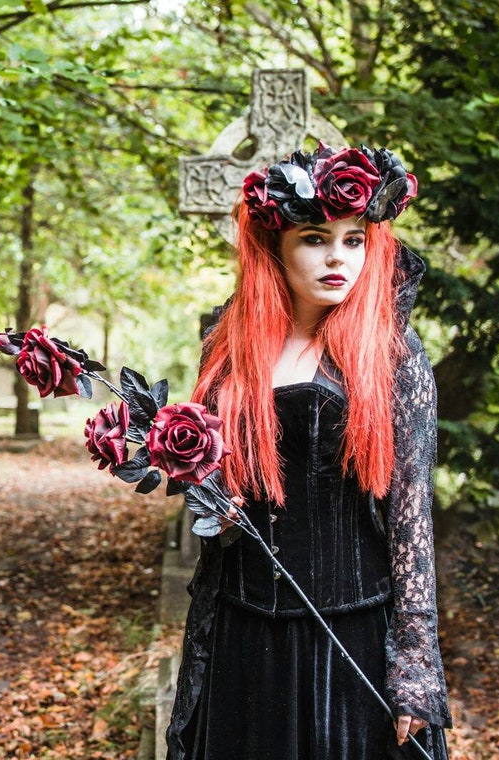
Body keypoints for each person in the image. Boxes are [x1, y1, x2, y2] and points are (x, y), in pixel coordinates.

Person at [165, 144, 452, 759]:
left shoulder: (391, 352)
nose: (337, 258)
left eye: (354, 240)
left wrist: (417, 668)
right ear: (276, 247)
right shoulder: (228, 346)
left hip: (349, 636)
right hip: (240, 629)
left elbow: (411, 517)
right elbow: (211, 483)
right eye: (316, 239)